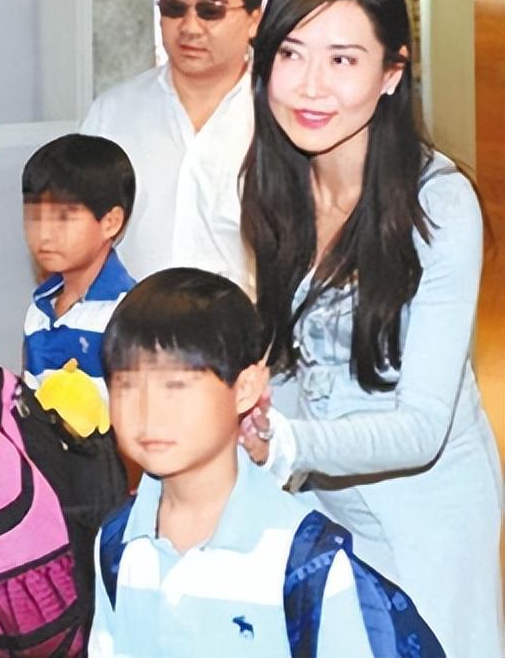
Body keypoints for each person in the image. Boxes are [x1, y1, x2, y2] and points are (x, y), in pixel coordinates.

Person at [239, 0, 504, 657]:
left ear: (391, 74)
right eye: (291, 53)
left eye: (343, 60)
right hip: (319, 499)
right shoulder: (277, 183)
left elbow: (422, 427)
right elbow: (290, 358)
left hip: (426, 514)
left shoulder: (437, 203)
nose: (309, 87)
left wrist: (285, 443)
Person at [88, 269, 402, 657]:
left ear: (246, 388)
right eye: (126, 386)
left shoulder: (304, 560)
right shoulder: (117, 542)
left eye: (176, 387)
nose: (148, 412)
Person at [81, 0, 262, 294]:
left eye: (210, 11)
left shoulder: (283, 114)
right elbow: (79, 236)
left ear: (254, 19)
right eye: (174, 8)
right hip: (130, 325)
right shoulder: (113, 113)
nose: (190, 27)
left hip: (249, 328)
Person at [22, 133, 136, 402]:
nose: (44, 234)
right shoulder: (38, 311)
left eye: (63, 218)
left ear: (110, 222)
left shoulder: (127, 315)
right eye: (34, 217)